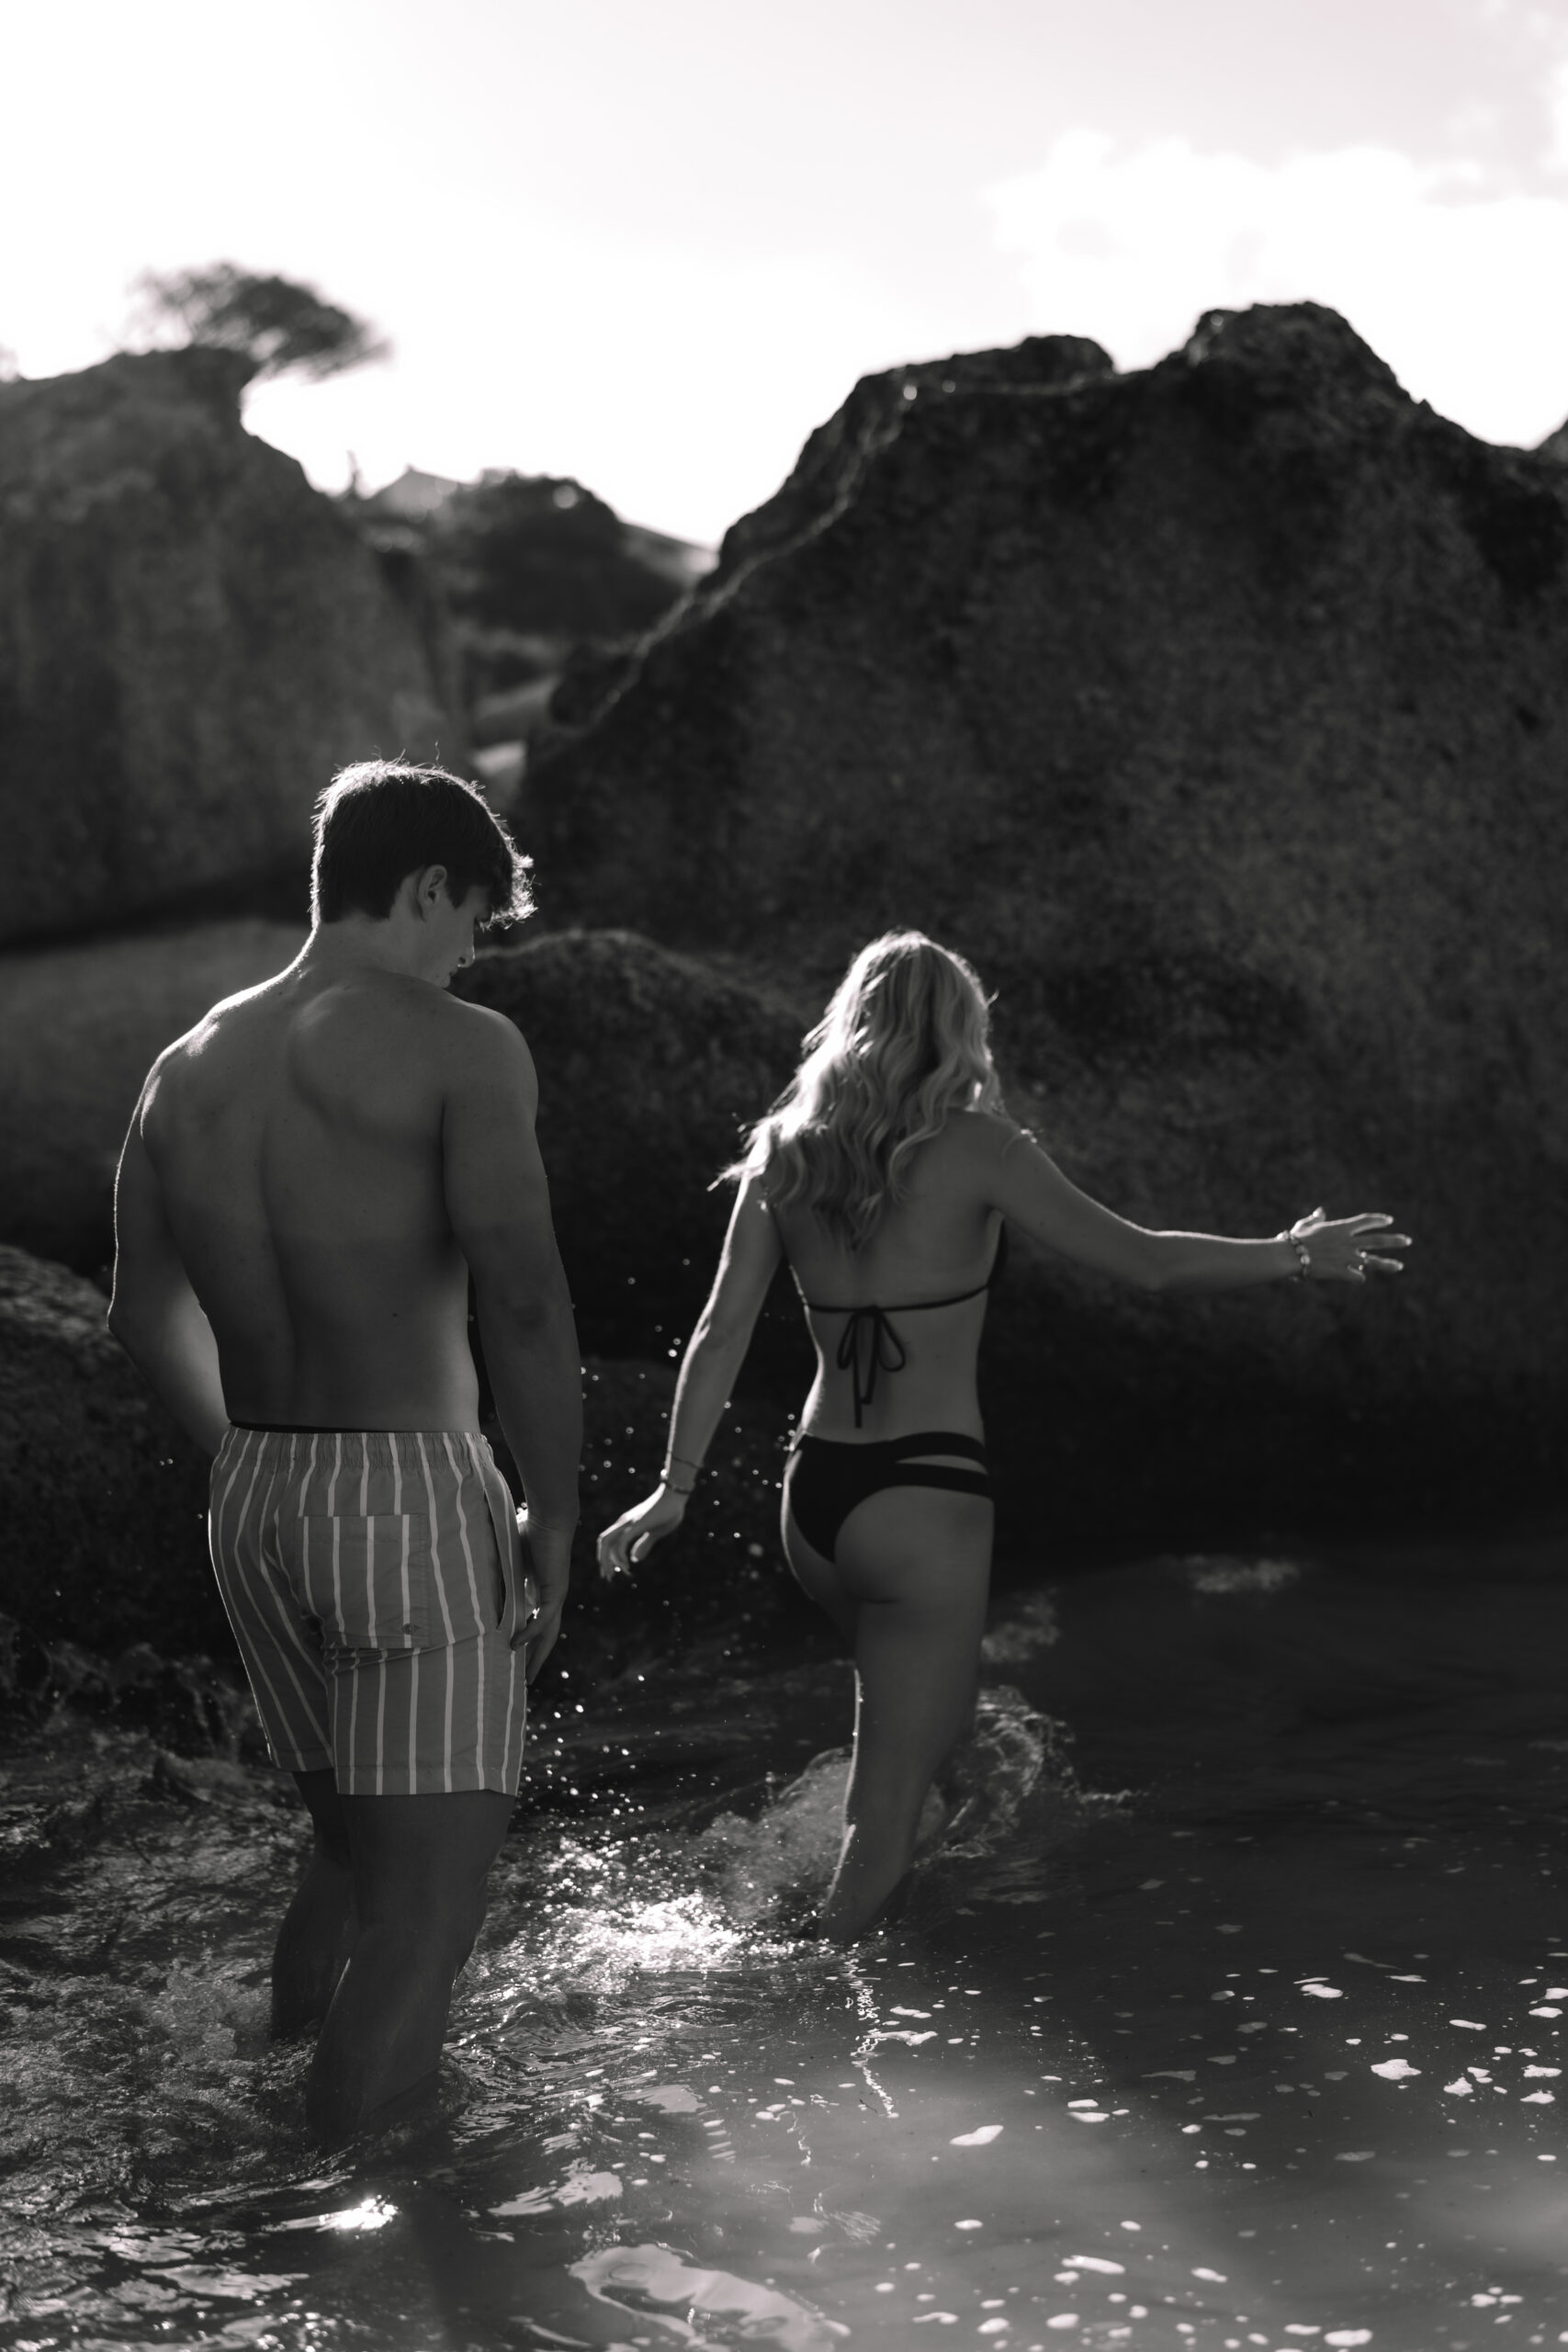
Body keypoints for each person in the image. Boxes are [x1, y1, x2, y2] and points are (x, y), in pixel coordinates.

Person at [596, 930, 1407, 1941]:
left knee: (925, 1743)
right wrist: (1290, 1254)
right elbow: (1146, 1261)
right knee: (886, 1807)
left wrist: (673, 1488)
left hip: (817, 1502)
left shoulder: (785, 1152)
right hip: (923, 1497)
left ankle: (868, 1904)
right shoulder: (982, 1148)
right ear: (958, 1029)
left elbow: (719, 1330)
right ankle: (804, 2007)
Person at [107, 761, 581, 2141]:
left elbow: (140, 1312)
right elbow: (527, 1296)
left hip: (253, 1490)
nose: (466, 955)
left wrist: (246, 1460)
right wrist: (550, 1512)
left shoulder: (184, 1063)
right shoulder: (460, 1046)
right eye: (473, 923)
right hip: (406, 1489)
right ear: (429, 885)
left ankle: (291, 2114)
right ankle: (341, 2230)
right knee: (429, 1913)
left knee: (346, 1853)